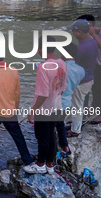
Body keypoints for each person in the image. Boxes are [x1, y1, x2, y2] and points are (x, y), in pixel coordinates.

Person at [25, 36, 67, 174]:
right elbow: (63, 87)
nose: (37, 51)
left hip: (44, 109)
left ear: (42, 49)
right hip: (57, 106)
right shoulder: (62, 62)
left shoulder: (43, 67)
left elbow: (43, 94)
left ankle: (40, 163)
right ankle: (50, 164)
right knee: (51, 136)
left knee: (42, 136)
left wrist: (32, 111)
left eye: (38, 48)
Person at [66, 19, 98, 137]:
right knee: (77, 103)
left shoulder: (80, 48)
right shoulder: (93, 42)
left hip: (81, 81)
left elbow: (74, 66)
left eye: (74, 31)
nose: (73, 33)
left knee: (77, 105)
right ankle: (75, 123)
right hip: (89, 78)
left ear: (79, 32)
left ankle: (75, 130)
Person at [58, 43, 85, 154]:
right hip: (68, 101)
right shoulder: (81, 70)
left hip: (57, 102)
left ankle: (59, 148)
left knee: (50, 129)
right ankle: (65, 147)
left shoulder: (60, 68)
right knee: (60, 124)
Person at [84, 15, 101, 117]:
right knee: (95, 87)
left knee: (98, 87)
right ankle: (94, 109)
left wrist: (93, 34)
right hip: (96, 62)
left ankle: (98, 115)